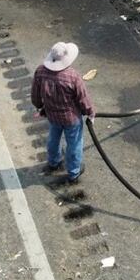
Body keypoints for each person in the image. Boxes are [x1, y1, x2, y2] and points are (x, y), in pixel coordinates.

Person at [31, 42, 94, 184]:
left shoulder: (40, 71)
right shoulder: (73, 76)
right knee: (74, 144)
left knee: (53, 139)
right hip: (71, 118)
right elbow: (83, 98)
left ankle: (53, 162)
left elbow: (35, 95)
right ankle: (74, 172)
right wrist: (90, 112)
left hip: (52, 115)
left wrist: (40, 107)